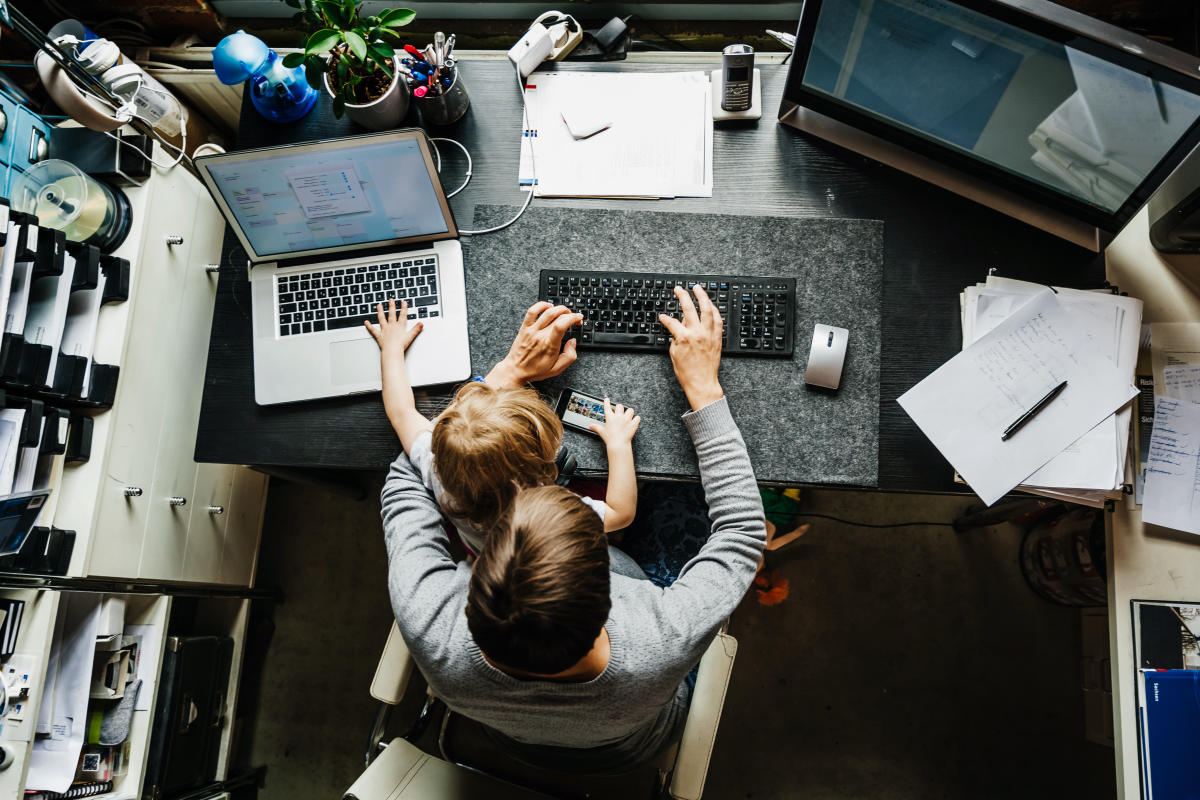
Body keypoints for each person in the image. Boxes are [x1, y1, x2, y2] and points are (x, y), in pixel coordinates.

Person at [380, 285, 767, 772]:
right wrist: (704, 389)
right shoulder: (660, 639)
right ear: (611, 592)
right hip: (633, 745)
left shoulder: (427, 621)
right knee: (682, 494)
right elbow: (743, 534)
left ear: (471, 585)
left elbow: (407, 478)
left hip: (510, 741)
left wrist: (502, 381)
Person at [365, 299, 641, 553]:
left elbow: (401, 412)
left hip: (483, 548)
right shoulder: (550, 512)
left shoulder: (436, 464)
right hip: (542, 547)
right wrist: (619, 445)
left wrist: (391, 350)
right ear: (545, 468)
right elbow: (621, 513)